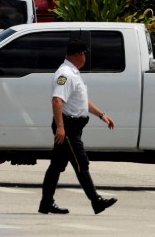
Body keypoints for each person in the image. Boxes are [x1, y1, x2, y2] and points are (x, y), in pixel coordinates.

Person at [39, 40, 117, 215]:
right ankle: (96, 201)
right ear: (76, 55)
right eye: (83, 53)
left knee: (56, 166)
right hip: (68, 128)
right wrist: (60, 127)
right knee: (81, 162)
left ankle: (46, 203)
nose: (85, 57)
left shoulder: (73, 73)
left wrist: (101, 115)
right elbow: (57, 100)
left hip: (72, 126)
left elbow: (81, 101)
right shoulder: (65, 74)